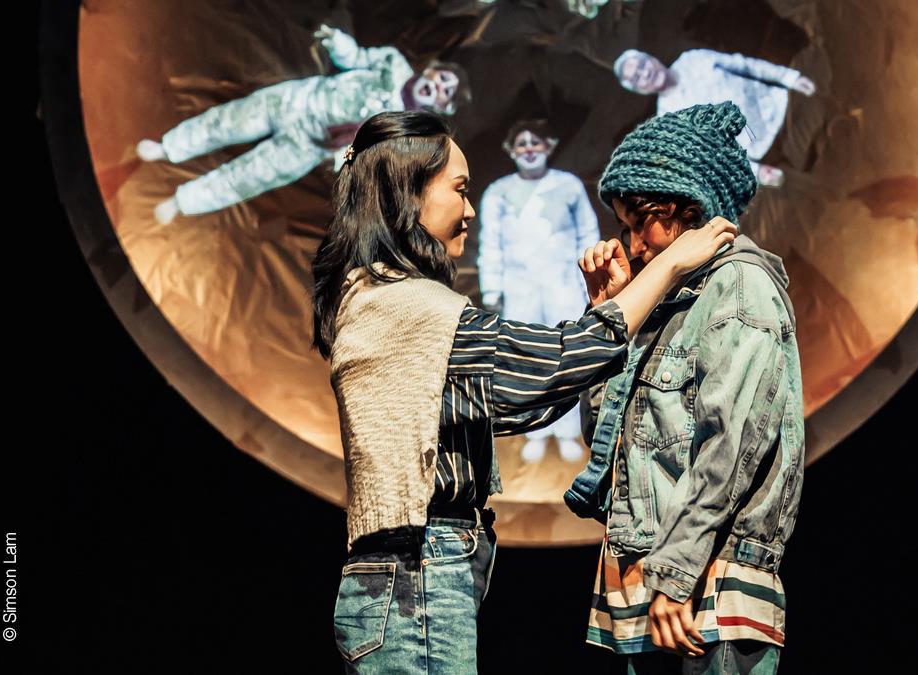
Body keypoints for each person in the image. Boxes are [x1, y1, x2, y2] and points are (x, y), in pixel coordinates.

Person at [310, 109, 737, 673]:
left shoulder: (382, 297)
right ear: (409, 195)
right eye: (460, 190)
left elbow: (526, 400)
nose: (470, 209)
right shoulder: (402, 305)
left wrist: (600, 313)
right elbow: (553, 364)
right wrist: (671, 266)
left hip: (418, 574)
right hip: (416, 574)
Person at [564, 102, 806, 674]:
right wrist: (609, 314)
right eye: (624, 227)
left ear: (688, 210)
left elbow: (732, 448)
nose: (632, 245)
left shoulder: (739, 287)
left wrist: (676, 573)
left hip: (705, 588)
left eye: (640, 223)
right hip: (647, 587)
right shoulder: (663, 301)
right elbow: (604, 440)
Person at [135, 24, 468, 223]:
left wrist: (340, 157)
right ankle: (170, 146)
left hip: (310, 146)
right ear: (431, 70)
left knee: (250, 176)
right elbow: (356, 59)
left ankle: (184, 201)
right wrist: (338, 43)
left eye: (445, 92)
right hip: (300, 101)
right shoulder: (393, 64)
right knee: (229, 121)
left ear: (442, 106)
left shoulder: (403, 130)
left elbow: (364, 153)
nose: (438, 87)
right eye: (442, 78)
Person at [477, 119, 601, 463]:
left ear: (549, 145)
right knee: (530, 360)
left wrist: (589, 283)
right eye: (522, 143)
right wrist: (492, 289)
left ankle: (567, 431)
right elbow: (490, 242)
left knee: (566, 357)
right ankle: (537, 431)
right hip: (520, 289)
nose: (529, 149)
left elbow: (587, 234)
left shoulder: (568, 185)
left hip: (563, 284)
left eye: (535, 142)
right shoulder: (498, 191)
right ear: (510, 150)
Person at [613, 48, 815, 188]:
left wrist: (789, 77)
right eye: (637, 77)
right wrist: (757, 171)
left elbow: (744, 65)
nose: (645, 73)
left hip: (784, 104)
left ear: (652, 59)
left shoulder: (692, 59)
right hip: (769, 151)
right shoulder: (669, 121)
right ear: (640, 90)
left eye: (642, 65)